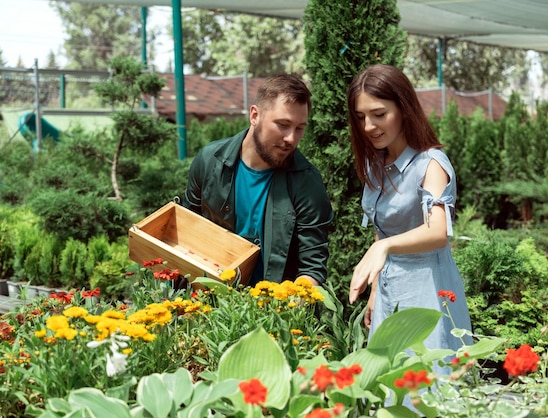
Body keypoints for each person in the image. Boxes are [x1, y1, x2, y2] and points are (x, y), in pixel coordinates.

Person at [347, 64, 472, 357]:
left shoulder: (431, 164)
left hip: (427, 289)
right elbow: (383, 233)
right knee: (389, 385)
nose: (368, 126)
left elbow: (438, 231)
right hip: (390, 292)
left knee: (425, 382)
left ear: (404, 109)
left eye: (379, 115)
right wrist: (375, 292)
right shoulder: (374, 165)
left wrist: (384, 248)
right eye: (361, 117)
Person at [182, 74, 333, 287]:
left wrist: (287, 306)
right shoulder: (209, 161)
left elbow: (312, 267)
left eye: (300, 128)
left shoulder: (307, 182)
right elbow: (185, 229)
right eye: (283, 124)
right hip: (212, 304)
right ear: (255, 115)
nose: (291, 138)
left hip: (273, 310)